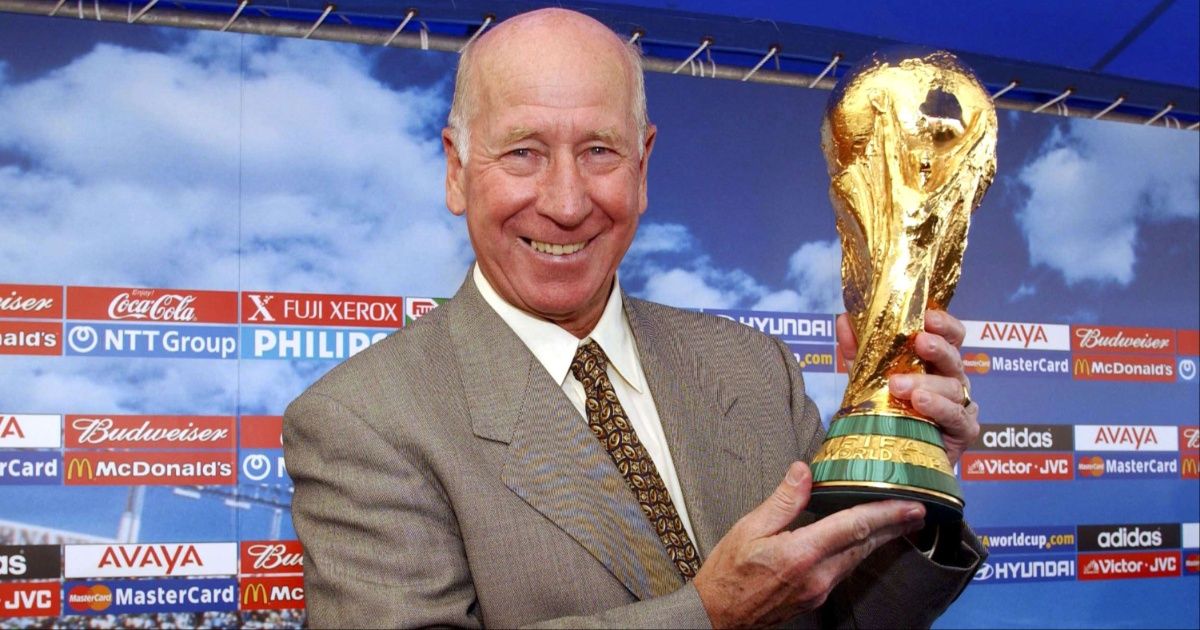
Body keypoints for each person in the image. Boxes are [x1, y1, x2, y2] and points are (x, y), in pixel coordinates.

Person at [283, 8, 984, 628]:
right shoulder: (362, 420)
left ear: (643, 167)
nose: (565, 201)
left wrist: (908, 482)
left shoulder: (753, 367)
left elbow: (845, 615)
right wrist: (708, 617)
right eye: (523, 151)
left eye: (599, 151)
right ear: (457, 170)